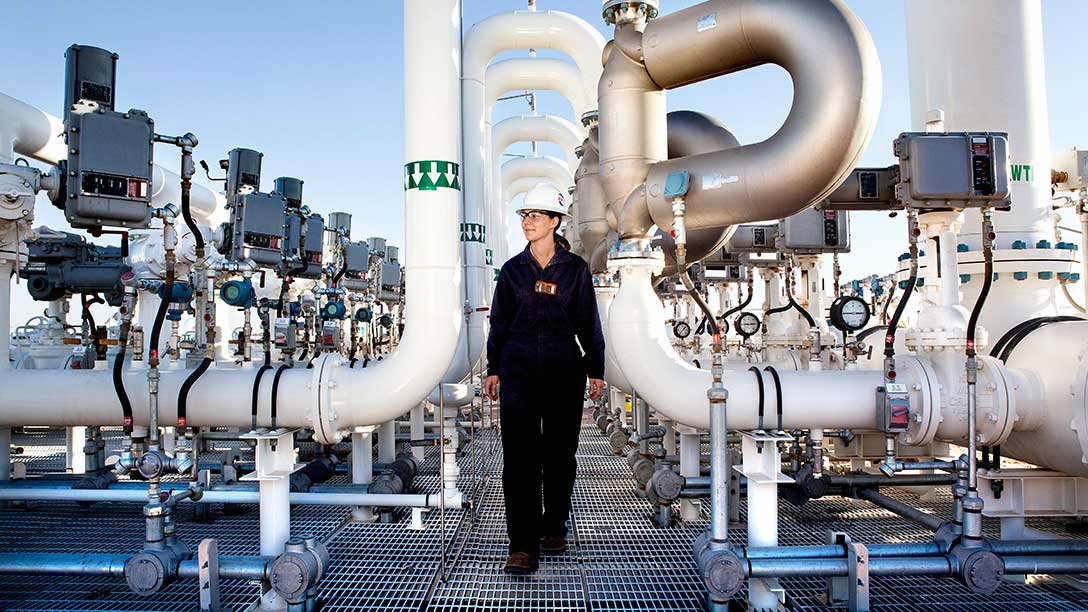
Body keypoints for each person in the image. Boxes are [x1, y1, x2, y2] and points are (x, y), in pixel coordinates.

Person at [483, 183, 606, 574]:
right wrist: (493, 367)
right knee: (519, 459)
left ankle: (554, 525)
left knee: (558, 454)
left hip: (562, 368)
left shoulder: (575, 270)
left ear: (555, 221)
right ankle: (522, 544)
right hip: (518, 369)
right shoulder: (512, 270)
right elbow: (498, 322)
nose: (528, 222)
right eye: (524, 215)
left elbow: (589, 321)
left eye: (536, 215)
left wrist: (595, 369)